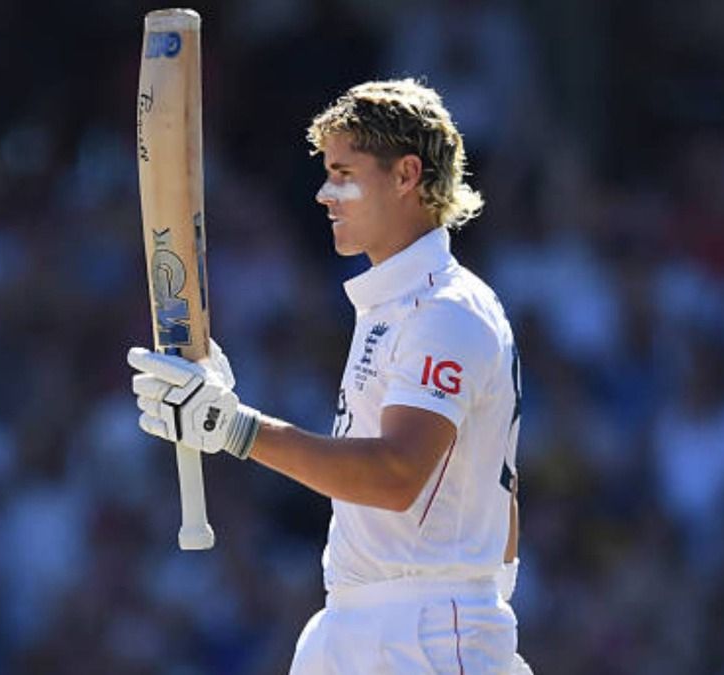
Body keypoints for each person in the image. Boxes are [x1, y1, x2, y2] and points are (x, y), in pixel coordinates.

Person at [128, 78, 527, 674]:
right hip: (370, 622)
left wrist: (235, 428)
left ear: (405, 174)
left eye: (344, 173)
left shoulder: (445, 311)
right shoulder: (394, 305)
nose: (323, 193)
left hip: (424, 637)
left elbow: (396, 476)